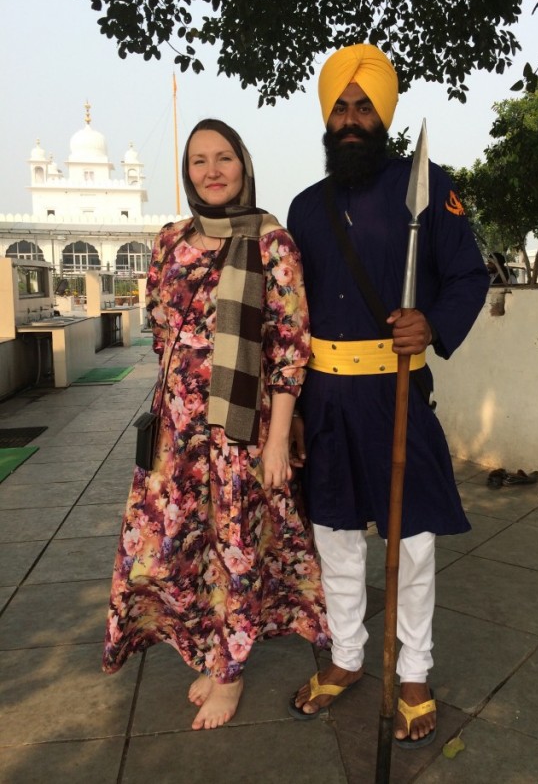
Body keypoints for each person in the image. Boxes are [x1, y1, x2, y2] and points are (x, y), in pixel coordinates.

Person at [286, 44, 489, 747]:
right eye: (340, 106)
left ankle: (414, 670)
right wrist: (292, 416)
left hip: (395, 393)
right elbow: (290, 316)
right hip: (325, 401)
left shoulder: (428, 187)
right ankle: (346, 655)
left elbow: (469, 276)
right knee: (335, 535)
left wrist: (431, 321)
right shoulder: (305, 209)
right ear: (326, 114)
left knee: (415, 538)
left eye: (363, 106)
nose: (350, 118)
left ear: (385, 113)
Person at [103, 119, 328, 730]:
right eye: (199, 160)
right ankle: (209, 652)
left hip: (239, 431)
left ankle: (228, 673)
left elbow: (288, 347)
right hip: (177, 435)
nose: (211, 171)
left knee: (234, 549)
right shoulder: (170, 241)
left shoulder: (272, 242)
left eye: (223, 157)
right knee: (178, 550)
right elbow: (161, 331)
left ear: (243, 164)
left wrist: (278, 437)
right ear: (187, 171)